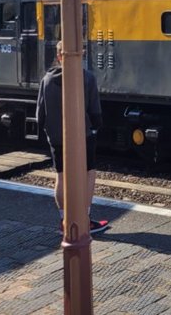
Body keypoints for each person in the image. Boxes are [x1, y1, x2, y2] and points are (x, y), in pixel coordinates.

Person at [35, 41, 108, 235]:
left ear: (59, 56)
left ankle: (63, 220)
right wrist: (96, 128)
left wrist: (49, 132)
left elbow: (39, 115)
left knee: (61, 176)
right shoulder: (86, 78)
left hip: (57, 137)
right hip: (82, 135)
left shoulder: (47, 80)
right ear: (79, 55)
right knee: (88, 173)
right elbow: (95, 112)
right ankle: (84, 219)